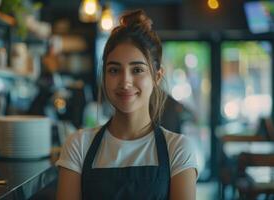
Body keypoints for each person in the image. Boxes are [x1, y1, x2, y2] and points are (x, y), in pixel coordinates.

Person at [56, 9, 198, 200]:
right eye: (114, 70)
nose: (125, 82)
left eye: (137, 70)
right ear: (104, 76)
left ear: (157, 76)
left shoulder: (178, 149)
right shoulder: (78, 145)